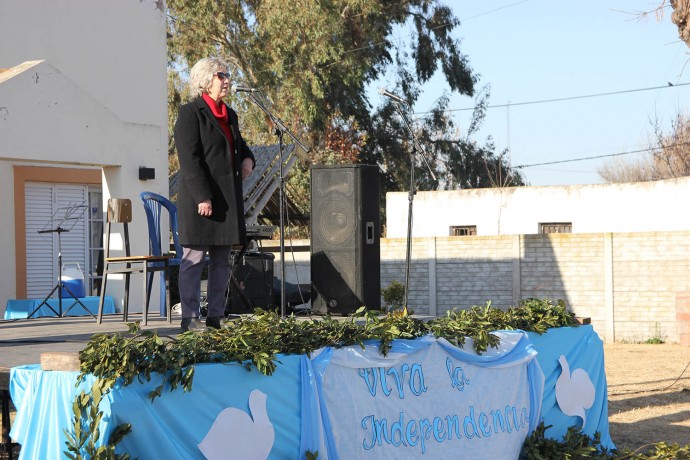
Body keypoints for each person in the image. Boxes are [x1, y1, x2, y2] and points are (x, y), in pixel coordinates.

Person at [174, 57, 255, 332]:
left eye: (228, 75)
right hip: (200, 201)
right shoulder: (190, 113)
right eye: (222, 75)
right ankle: (189, 317)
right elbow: (190, 160)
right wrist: (202, 197)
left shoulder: (229, 114)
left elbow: (239, 145)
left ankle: (216, 315)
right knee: (193, 260)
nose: (227, 80)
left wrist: (248, 159)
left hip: (226, 201)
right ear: (206, 80)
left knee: (222, 260)